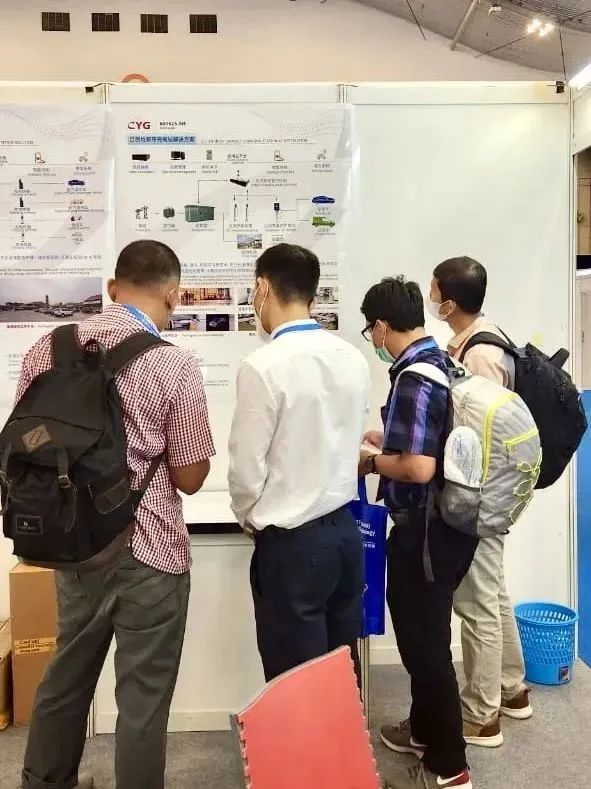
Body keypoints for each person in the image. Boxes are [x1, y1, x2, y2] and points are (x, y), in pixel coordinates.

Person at [18, 240, 215, 789]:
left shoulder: (46, 349)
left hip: (75, 544)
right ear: (174, 296)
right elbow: (189, 478)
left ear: (112, 288)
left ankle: (44, 782)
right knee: (143, 699)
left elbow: (29, 445)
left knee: (66, 678)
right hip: (150, 550)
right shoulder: (174, 364)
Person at [228, 243, 370, 684]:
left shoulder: (262, 365)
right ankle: (340, 734)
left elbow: (246, 470)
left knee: (294, 682)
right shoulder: (352, 357)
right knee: (340, 672)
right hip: (345, 534)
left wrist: (249, 517)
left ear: (262, 288)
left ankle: (304, 737)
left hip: (292, 546)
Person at [359, 277, 477, 789]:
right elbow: (431, 441)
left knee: (426, 647)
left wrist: (370, 460)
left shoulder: (415, 376)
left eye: (371, 330)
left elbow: (419, 467)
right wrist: (388, 439)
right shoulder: (442, 362)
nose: (373, 339)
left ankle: (450, 767)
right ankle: (425, 731)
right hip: (443, 528)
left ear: (383, 326)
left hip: (426, 534)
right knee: (423, 636)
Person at [429, 256, 531, 747]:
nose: (431, 298)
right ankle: (512, 689)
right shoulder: (480, 341)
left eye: (434, 291)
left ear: (449, 302)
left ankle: (482, 715)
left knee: (476, 605)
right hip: (491, 493)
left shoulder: (481, 355)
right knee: (493, 594)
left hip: (481, 496)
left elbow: (477, 438)